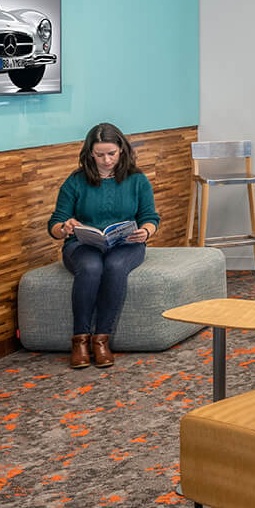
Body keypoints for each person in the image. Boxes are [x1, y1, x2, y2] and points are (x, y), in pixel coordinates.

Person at [47, 123, 159, 370]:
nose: (106, 160)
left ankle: (102, 339)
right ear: (89, 153)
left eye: (112, 153)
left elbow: (151, 217)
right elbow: (55, 223)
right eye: (99, 155)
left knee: (115, 266)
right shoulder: (75, 182)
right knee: (90, 268)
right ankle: (80, 341)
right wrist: (64, 228)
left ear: (122, 150)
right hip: (83, 245)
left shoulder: (137, 180)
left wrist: (146, 231)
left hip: (126, 244)